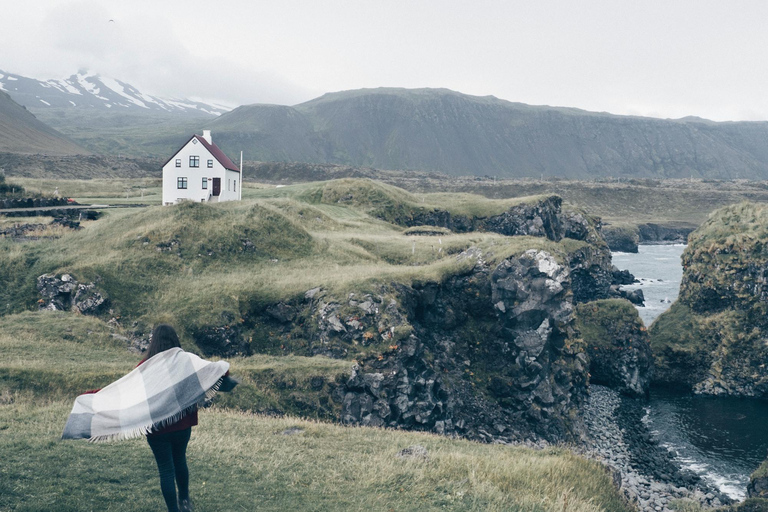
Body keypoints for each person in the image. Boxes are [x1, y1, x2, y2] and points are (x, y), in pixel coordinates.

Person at [140, 324, 196, 512]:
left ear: (153, 341)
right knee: (180, 460)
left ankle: (173, 509)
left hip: (157, 428)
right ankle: (185, 500)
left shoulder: (144, 366)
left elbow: (131, 393)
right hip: (182, 424)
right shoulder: (186, 362)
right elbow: (208, 374)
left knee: (166, 469)